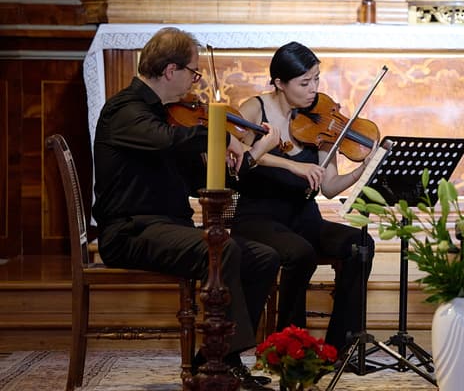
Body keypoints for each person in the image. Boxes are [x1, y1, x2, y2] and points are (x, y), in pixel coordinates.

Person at [92, 27, 282, 390]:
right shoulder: (124, 109)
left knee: (263, 257)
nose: (196, 81)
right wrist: (220, 135)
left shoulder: (167, 116)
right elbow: (167, 142)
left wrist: (250, 153)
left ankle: (215, 359)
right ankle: (219, 364)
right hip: (130, 231)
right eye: (193, 72)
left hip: (166, 228)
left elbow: (202, 182)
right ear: (170, 70)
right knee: (223, 249)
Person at [228, 41, 375, 355]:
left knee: (360, 245)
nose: (313, 89)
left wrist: (362, 171)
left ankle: (339, 347)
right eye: (305, 82)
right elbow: (239, 155)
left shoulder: (319, 117)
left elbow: (330, 186)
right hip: (258, 218)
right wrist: (292, 165)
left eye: (317, 79)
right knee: (300, 252)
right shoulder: (255, 108)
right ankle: (288, 346)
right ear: (280, 83)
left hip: (304, 219)